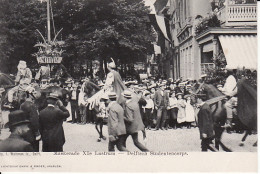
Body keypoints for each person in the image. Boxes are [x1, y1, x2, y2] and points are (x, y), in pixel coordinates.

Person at [20, 86, 41, 151]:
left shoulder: (22, 104)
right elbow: (34, 120)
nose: (35, 94)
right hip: (32, 132)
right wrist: (37, 133)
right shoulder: (31, 105)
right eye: (34, 93)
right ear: (30, 94)